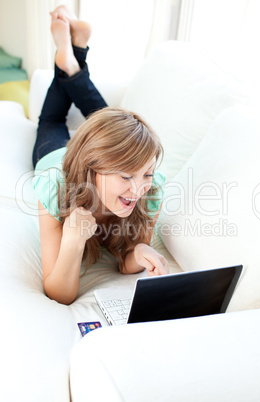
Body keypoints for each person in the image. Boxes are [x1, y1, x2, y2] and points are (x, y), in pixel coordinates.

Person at [32, 6, 169, 305]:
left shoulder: (151, 189)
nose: (138, 188)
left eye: (146, 173)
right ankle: (71, 56)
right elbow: (59, 293)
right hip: (55, 155)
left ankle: (72, 55)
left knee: (109, 121)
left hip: (96, 150)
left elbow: (125, 261)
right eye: (125, 176)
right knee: (52, 122)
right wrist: (72, 240)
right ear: (93, 170)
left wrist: (142, 252)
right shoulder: (54, 189)